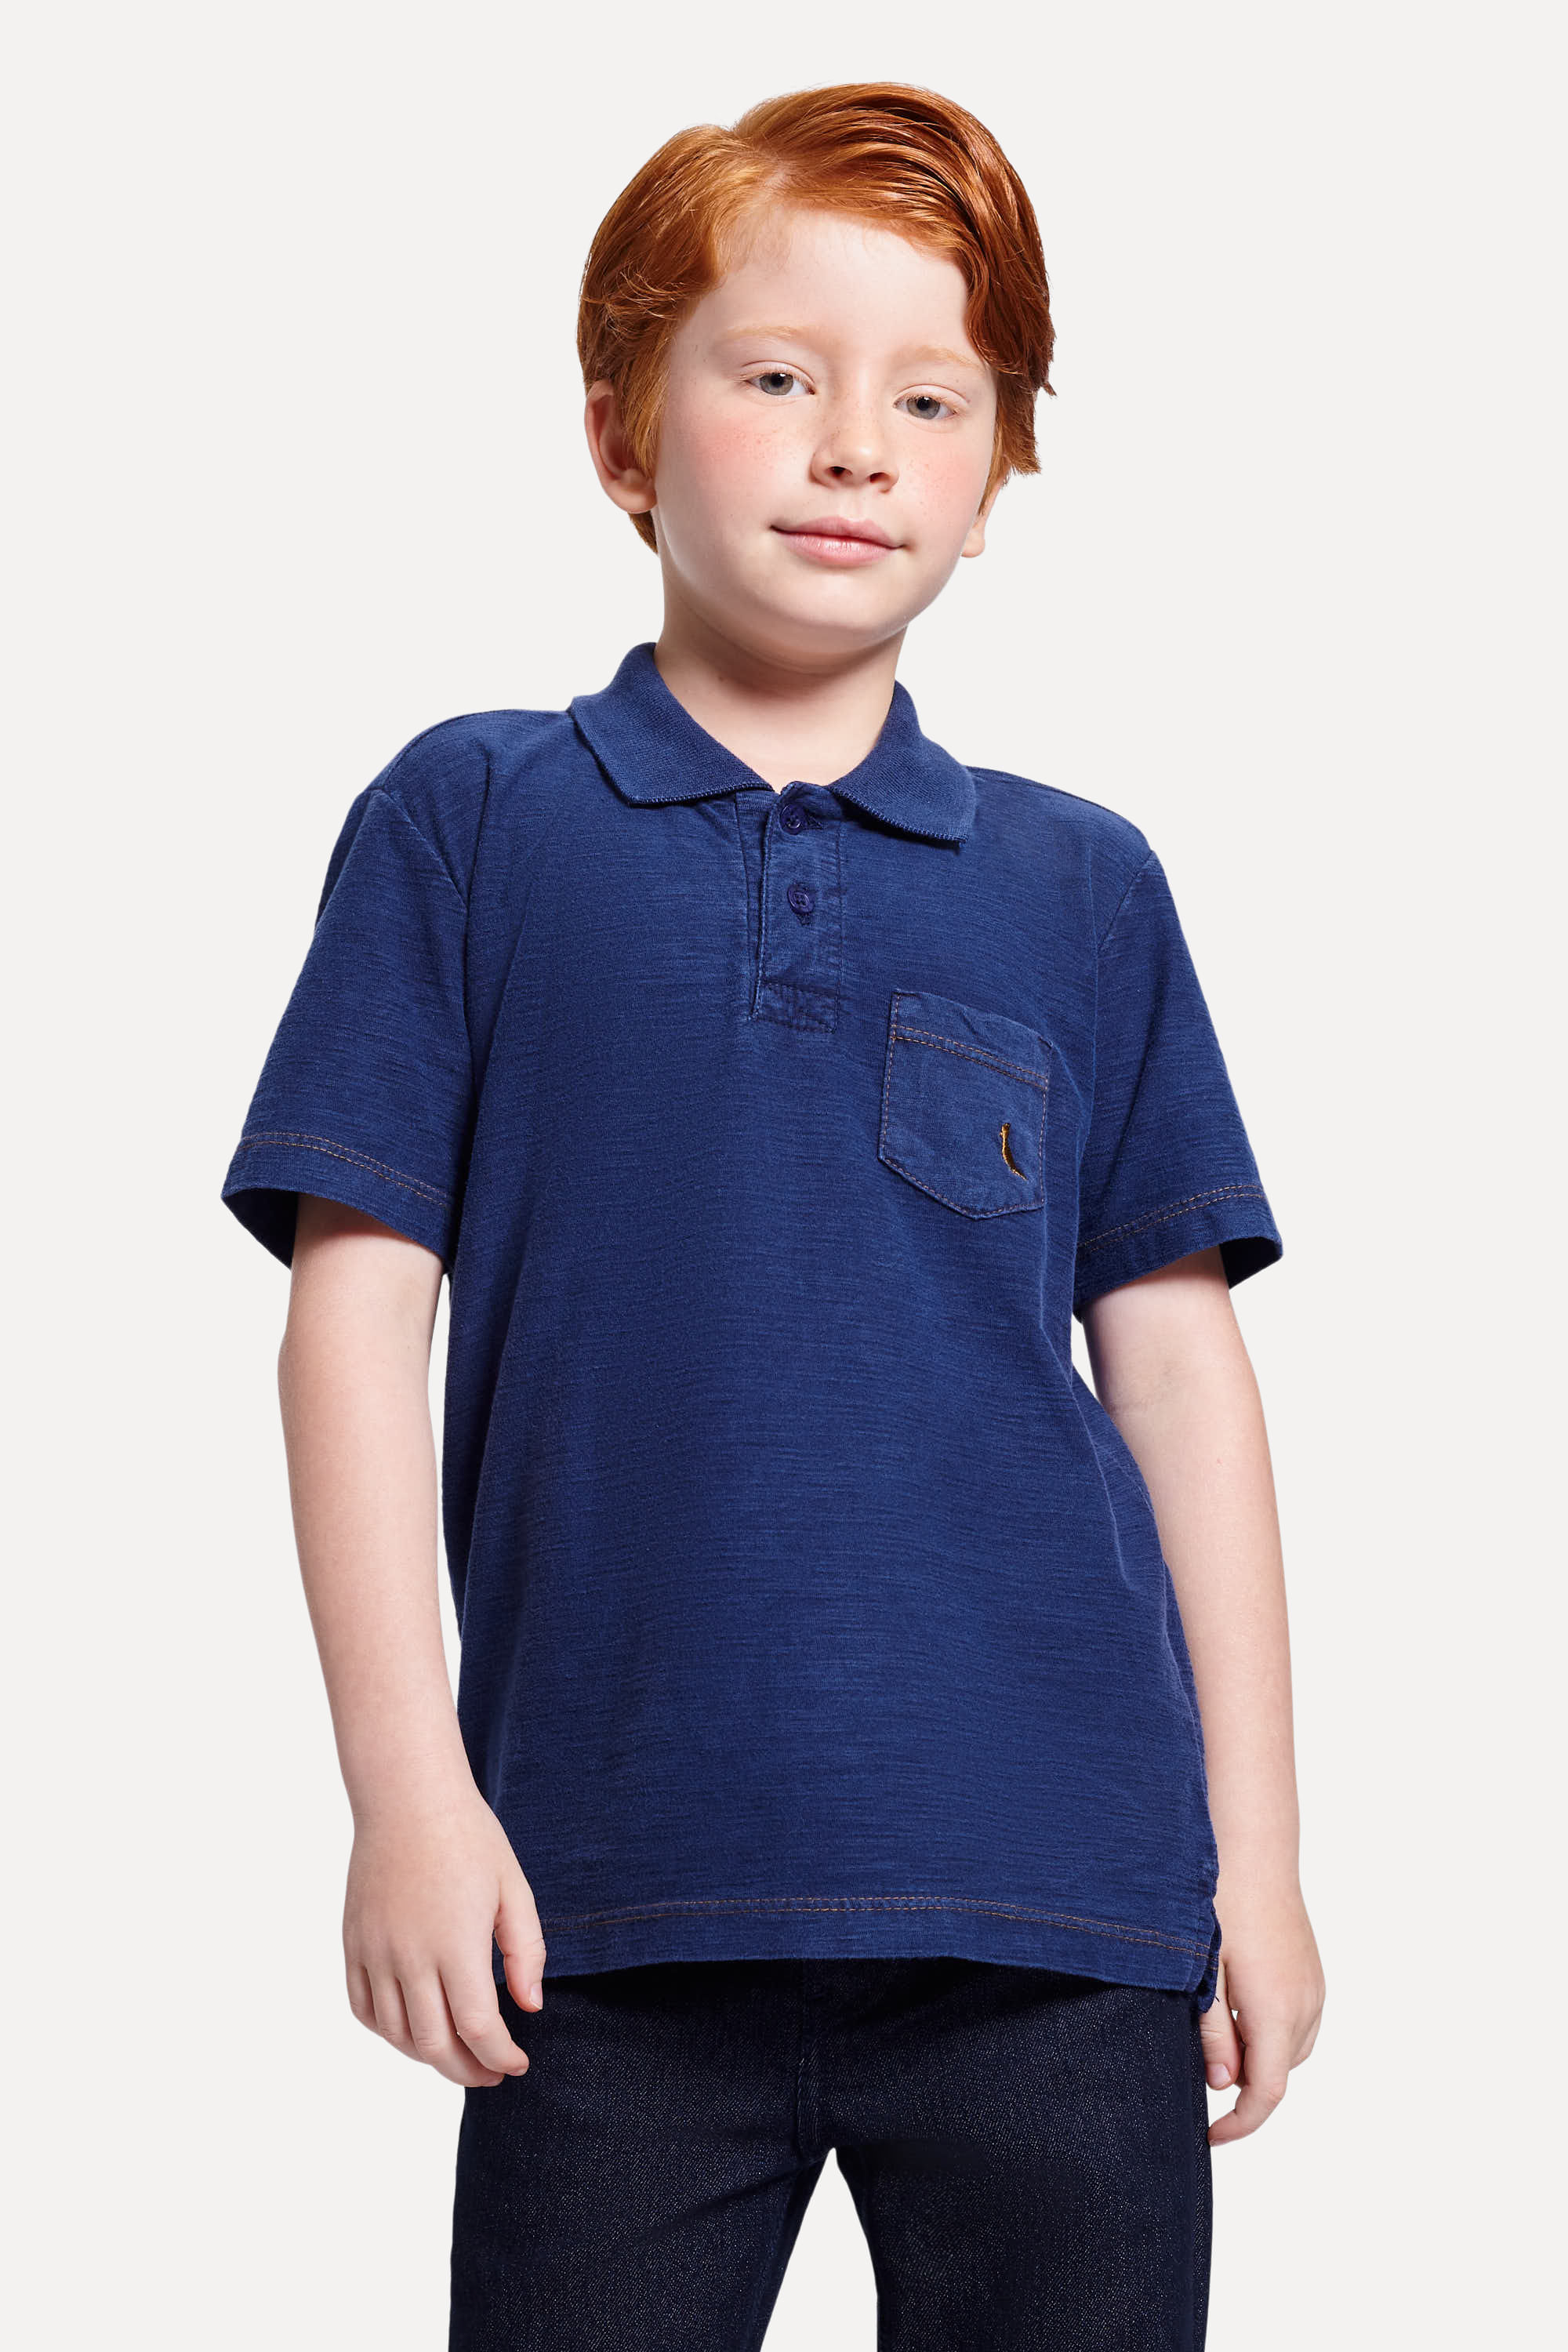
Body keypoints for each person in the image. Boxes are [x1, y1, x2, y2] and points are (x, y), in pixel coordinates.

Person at [223, 81, 1325, 2350]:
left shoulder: (1083, 886)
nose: (854, 450)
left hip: (1060, 1910)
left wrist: (1262, 1856)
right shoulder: (471, 823)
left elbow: (1184, 1387)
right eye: (778, 376)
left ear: (996, 482)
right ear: (622, 436)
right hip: (602, 1909)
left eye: (931, 399)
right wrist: (405, 1797)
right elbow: (351, 1322)